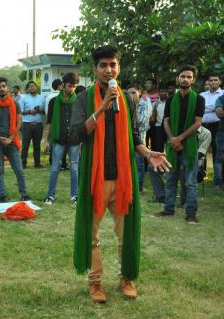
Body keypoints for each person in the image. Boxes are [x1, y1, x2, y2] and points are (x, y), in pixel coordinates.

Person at [70, 45, 170, 303]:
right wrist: (102, 107)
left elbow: (134, 137)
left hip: (123, 179)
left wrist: (148, 154)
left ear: (119, 68)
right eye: (103, 65)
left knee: (125, 235)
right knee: (92, 236)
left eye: (112, 64)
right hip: (96, 178)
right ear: (95, 69)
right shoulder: (83, 98)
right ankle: (95, 283)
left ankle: (126, 278)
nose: (108, 69)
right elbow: (77, 134)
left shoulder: (127, 98)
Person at [156, 64, 205, 224]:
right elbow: (166, 121)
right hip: (172, 145)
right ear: (178, 78)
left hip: (189, 145)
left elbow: (198, 123)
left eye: (189, 77)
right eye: (183, 76)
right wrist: (172, 139)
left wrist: (180, 138)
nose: (185, 79)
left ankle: (191, 213)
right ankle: (168, 209)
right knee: (170, 180)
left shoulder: (199, 99)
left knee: (190, 183)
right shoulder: (171, 99)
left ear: (194, 80)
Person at [0, 77, 30, 202]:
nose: (1, 89)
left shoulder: (15, 104)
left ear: (7, 87)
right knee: (0, 170)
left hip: (12, 141)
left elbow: (19, 123)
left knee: (19, 170)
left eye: (3, 86)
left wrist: (10, 138)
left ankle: (24, 194)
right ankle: (2, 195)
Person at [43, 72, 81, 205]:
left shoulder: (78, 100)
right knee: (54, 168)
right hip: (58, 139)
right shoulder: (54, 101)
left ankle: (74, 195)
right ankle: (50, 196)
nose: (72, 89)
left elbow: (82, 122)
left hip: (75, 140)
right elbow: (49, 122)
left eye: (74, 87)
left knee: (74, 168)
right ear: (63, 85)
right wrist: (46, 140)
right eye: (70, 86)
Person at [127, 83, 152, 192]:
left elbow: (140, 122)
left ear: (140, 93)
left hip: (139, 141)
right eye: (129, 93)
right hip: (126, 141)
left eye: (134, 92)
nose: (131, 95)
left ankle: (138, 187)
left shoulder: (144, 105)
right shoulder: (125, 105)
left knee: (138, 165)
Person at [200, 72, 224, 182]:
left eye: (215, 80)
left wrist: (207, 108)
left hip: (218, 125)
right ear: (208, 82)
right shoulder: (202, 95)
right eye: (211, 80)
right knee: (201, 151)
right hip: (203, 125)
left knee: (217, 150)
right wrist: (212, 108)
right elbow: (200, 110)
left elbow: (220, 109)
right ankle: (200, 176)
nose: (213, 82)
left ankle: (219, 179)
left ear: (220, 81)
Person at [20, 81, 46, 168]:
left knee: (37, 145)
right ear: (27, 89)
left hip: (38, 124)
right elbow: (20, 111)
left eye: (33, 86)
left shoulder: (42, 97)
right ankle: (23, 163)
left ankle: (37, 163)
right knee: (25, 144)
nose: (31, 88)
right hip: (27, 124)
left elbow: (45, 111)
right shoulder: (23, 98)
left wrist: (39, 110)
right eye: (29, 86)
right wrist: (29, 111)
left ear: (36, 87)